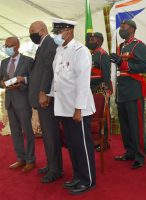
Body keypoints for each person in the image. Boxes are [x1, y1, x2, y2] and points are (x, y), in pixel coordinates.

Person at [49, 18, 96, 195]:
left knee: (83, 146)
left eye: (58, 32)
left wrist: (78, 109)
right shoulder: (60, 50)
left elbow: (83, 83)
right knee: (73, 145)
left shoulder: (80, 51)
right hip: (64, 107)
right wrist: (50, 97)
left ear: (68, 31)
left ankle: (88, 180)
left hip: (78, 108)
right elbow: (58, 78)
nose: (56, 36)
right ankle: (78, 176)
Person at [110, 20, 146, 169]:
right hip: (122, 91)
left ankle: (140, 156)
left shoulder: (139, 45)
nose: (121, 29)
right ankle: (130, 151)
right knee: (125, 125)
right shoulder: (122, 46)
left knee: (135, 125)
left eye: (124, 27)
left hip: (134, 91)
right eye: (120, 27)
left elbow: (143, 67)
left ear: (132, 29)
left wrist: (122, 63)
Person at [29, 21, 63, 183]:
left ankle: (56, 170)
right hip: (42, 97)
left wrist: (43, 92)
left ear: (42, 30)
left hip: (46, 98)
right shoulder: (43, 45)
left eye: (33, 31)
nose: (31, 35)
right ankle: (52, 165)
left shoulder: (49, 43)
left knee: (51, 135)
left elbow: (49, 69)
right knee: (48, 135)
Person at [0, 37, 35, 173]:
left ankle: (31, 160)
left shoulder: (28, 61)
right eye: (5, 46)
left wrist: (22, 82)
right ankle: (21, 158)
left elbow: (33, 79)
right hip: (10, 101)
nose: (7, 48)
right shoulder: (3, 62)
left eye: (10, 45)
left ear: (17, 46)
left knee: (28, 131)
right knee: (15, 132)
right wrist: (3, 83)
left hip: (23, 101)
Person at [86, 32, 112, 152]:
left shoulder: (102, 55)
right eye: (89, 39)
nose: (90, 41)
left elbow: (106, 74)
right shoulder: (91, 54)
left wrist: (106, 90)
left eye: (93, 39)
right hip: (90, 90)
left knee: (103, 116)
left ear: (99, 41)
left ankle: (104, 142)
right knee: (93, 117)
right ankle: (96, 140)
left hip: (100, 90)